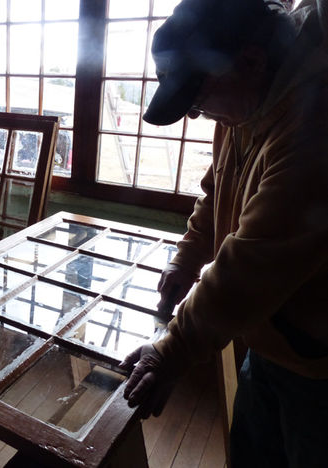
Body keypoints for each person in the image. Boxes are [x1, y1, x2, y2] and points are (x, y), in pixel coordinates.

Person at [119, 0, 328, 466]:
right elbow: (218, 189)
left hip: (317, 363)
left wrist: (169, 352)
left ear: (250, 60)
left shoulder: (313, 123)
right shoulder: (254, 95)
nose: (197, 115)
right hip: (271, 337)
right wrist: (185, 259)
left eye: (198, 100)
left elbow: (252, 264)